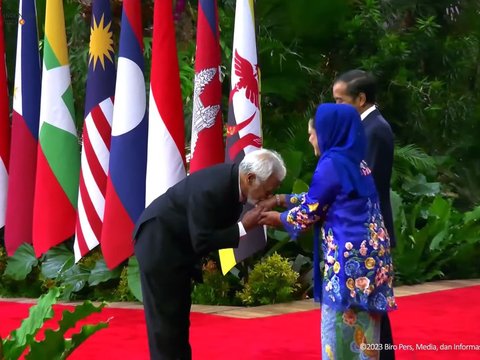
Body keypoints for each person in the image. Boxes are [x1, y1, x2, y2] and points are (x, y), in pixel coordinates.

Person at [259, 104, 396, 360]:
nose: (310, 137)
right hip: (373, 259)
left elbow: (311, 210)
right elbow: (324, 197)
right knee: (366, 330)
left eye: (313, 132)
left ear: (327, 132)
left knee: (338, 329)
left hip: (348, 262)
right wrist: (281, 199)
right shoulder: (356, 161)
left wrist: (274, 218)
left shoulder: (331, 164)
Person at [133, 148, 286, 360]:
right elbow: (202, 241)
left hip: (178, 248)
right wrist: (243, 226)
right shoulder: (213, 188)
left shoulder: (235, 183)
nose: (267, 196)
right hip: (159, 244)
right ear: (251, 178)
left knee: (177, 321)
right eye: (268, 191)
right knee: (165, 325)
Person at [333, 70, 396, 359]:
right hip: (361, 230)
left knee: (372, 307)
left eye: (340, 100)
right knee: (373, 307)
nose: (336, 108)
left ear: (360, 99)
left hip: (368, 232)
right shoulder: (363, 127)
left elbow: (363, 182)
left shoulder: (374, 130)